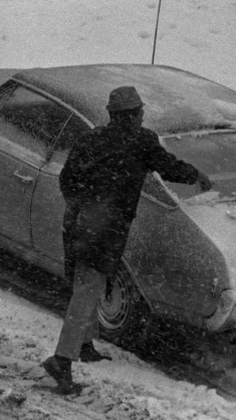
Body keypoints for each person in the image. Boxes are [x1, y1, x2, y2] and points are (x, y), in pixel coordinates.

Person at [42, 86, 212, 394]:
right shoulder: (141, 141)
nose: (143, 117)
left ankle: (84, 344)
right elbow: (169, 166)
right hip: (106, 228)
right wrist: (196, 175)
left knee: (88, 281)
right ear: (132, 116)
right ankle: (61, 360)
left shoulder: (91, 139)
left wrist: (82, 207)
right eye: (140, 112)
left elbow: (66, 179)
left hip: (82, 224)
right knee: (88, 288)